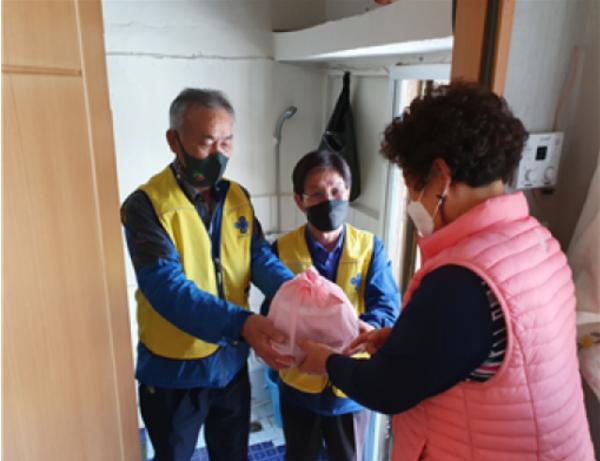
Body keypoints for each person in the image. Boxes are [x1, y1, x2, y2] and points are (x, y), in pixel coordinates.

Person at [297, 82, 595, 460]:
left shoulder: (462, 280)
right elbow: (487, 349)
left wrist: (326, 361)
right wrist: (404, 341)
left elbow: (388, 388)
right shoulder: (538, 243)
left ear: (440, 176)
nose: (412, 201)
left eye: (411, 186)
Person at [121, 88, 295, 461]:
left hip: (230, 365)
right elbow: (166, 289)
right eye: (206, 142)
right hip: (174, 372)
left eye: (226, 142)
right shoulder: (145, 206)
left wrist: (295, 292)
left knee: (232, 454)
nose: (218, 154)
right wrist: (243, 323)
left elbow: (257, 255)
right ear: (174, 141)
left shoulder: (238, 197)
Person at [261, 150, 400, 461]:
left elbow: (387, 306)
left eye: (336, 191)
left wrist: (368, 328)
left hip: (350, 386)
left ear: (348, 193)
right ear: (300, 201)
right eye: (316, 194)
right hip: (299, 384)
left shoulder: (369, 247)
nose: (329, 201)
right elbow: (271, 311)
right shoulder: (282, 249)